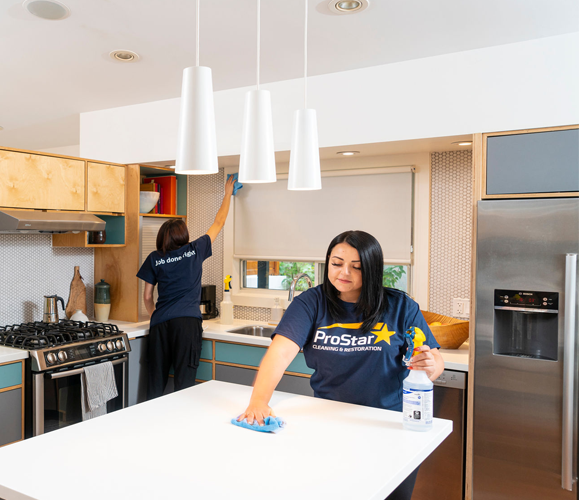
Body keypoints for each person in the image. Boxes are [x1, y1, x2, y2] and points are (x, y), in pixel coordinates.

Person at [237, 230, 444, 500]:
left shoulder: (399, 306)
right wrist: (258, 401)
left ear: (372, 269)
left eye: (356, 267)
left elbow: (435, 359)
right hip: (329, 424)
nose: (343, 272)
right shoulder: (311, 303)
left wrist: (432, 366)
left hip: (390, 426)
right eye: (336, 264)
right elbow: (279, 353)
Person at [137, 175, 235, 398]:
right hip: (187, 325)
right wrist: (227, 193)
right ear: (184, 235)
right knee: (184, 384)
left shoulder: (155, 258)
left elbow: (147, 296)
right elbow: (219, 222)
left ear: (163, 238)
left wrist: (156, 316)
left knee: (155, 385)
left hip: (161, 325)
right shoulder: (195, 249)